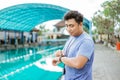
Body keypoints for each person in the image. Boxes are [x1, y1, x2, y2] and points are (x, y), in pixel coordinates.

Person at [52, 10, 94, 80]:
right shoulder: (72, 37)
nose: (68, 29)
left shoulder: (86, 41)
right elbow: (66, 54)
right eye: (66, 26)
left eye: (71, 26)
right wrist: (60, 54)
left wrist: (60, 59)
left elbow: (78, 63)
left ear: (80, 24)